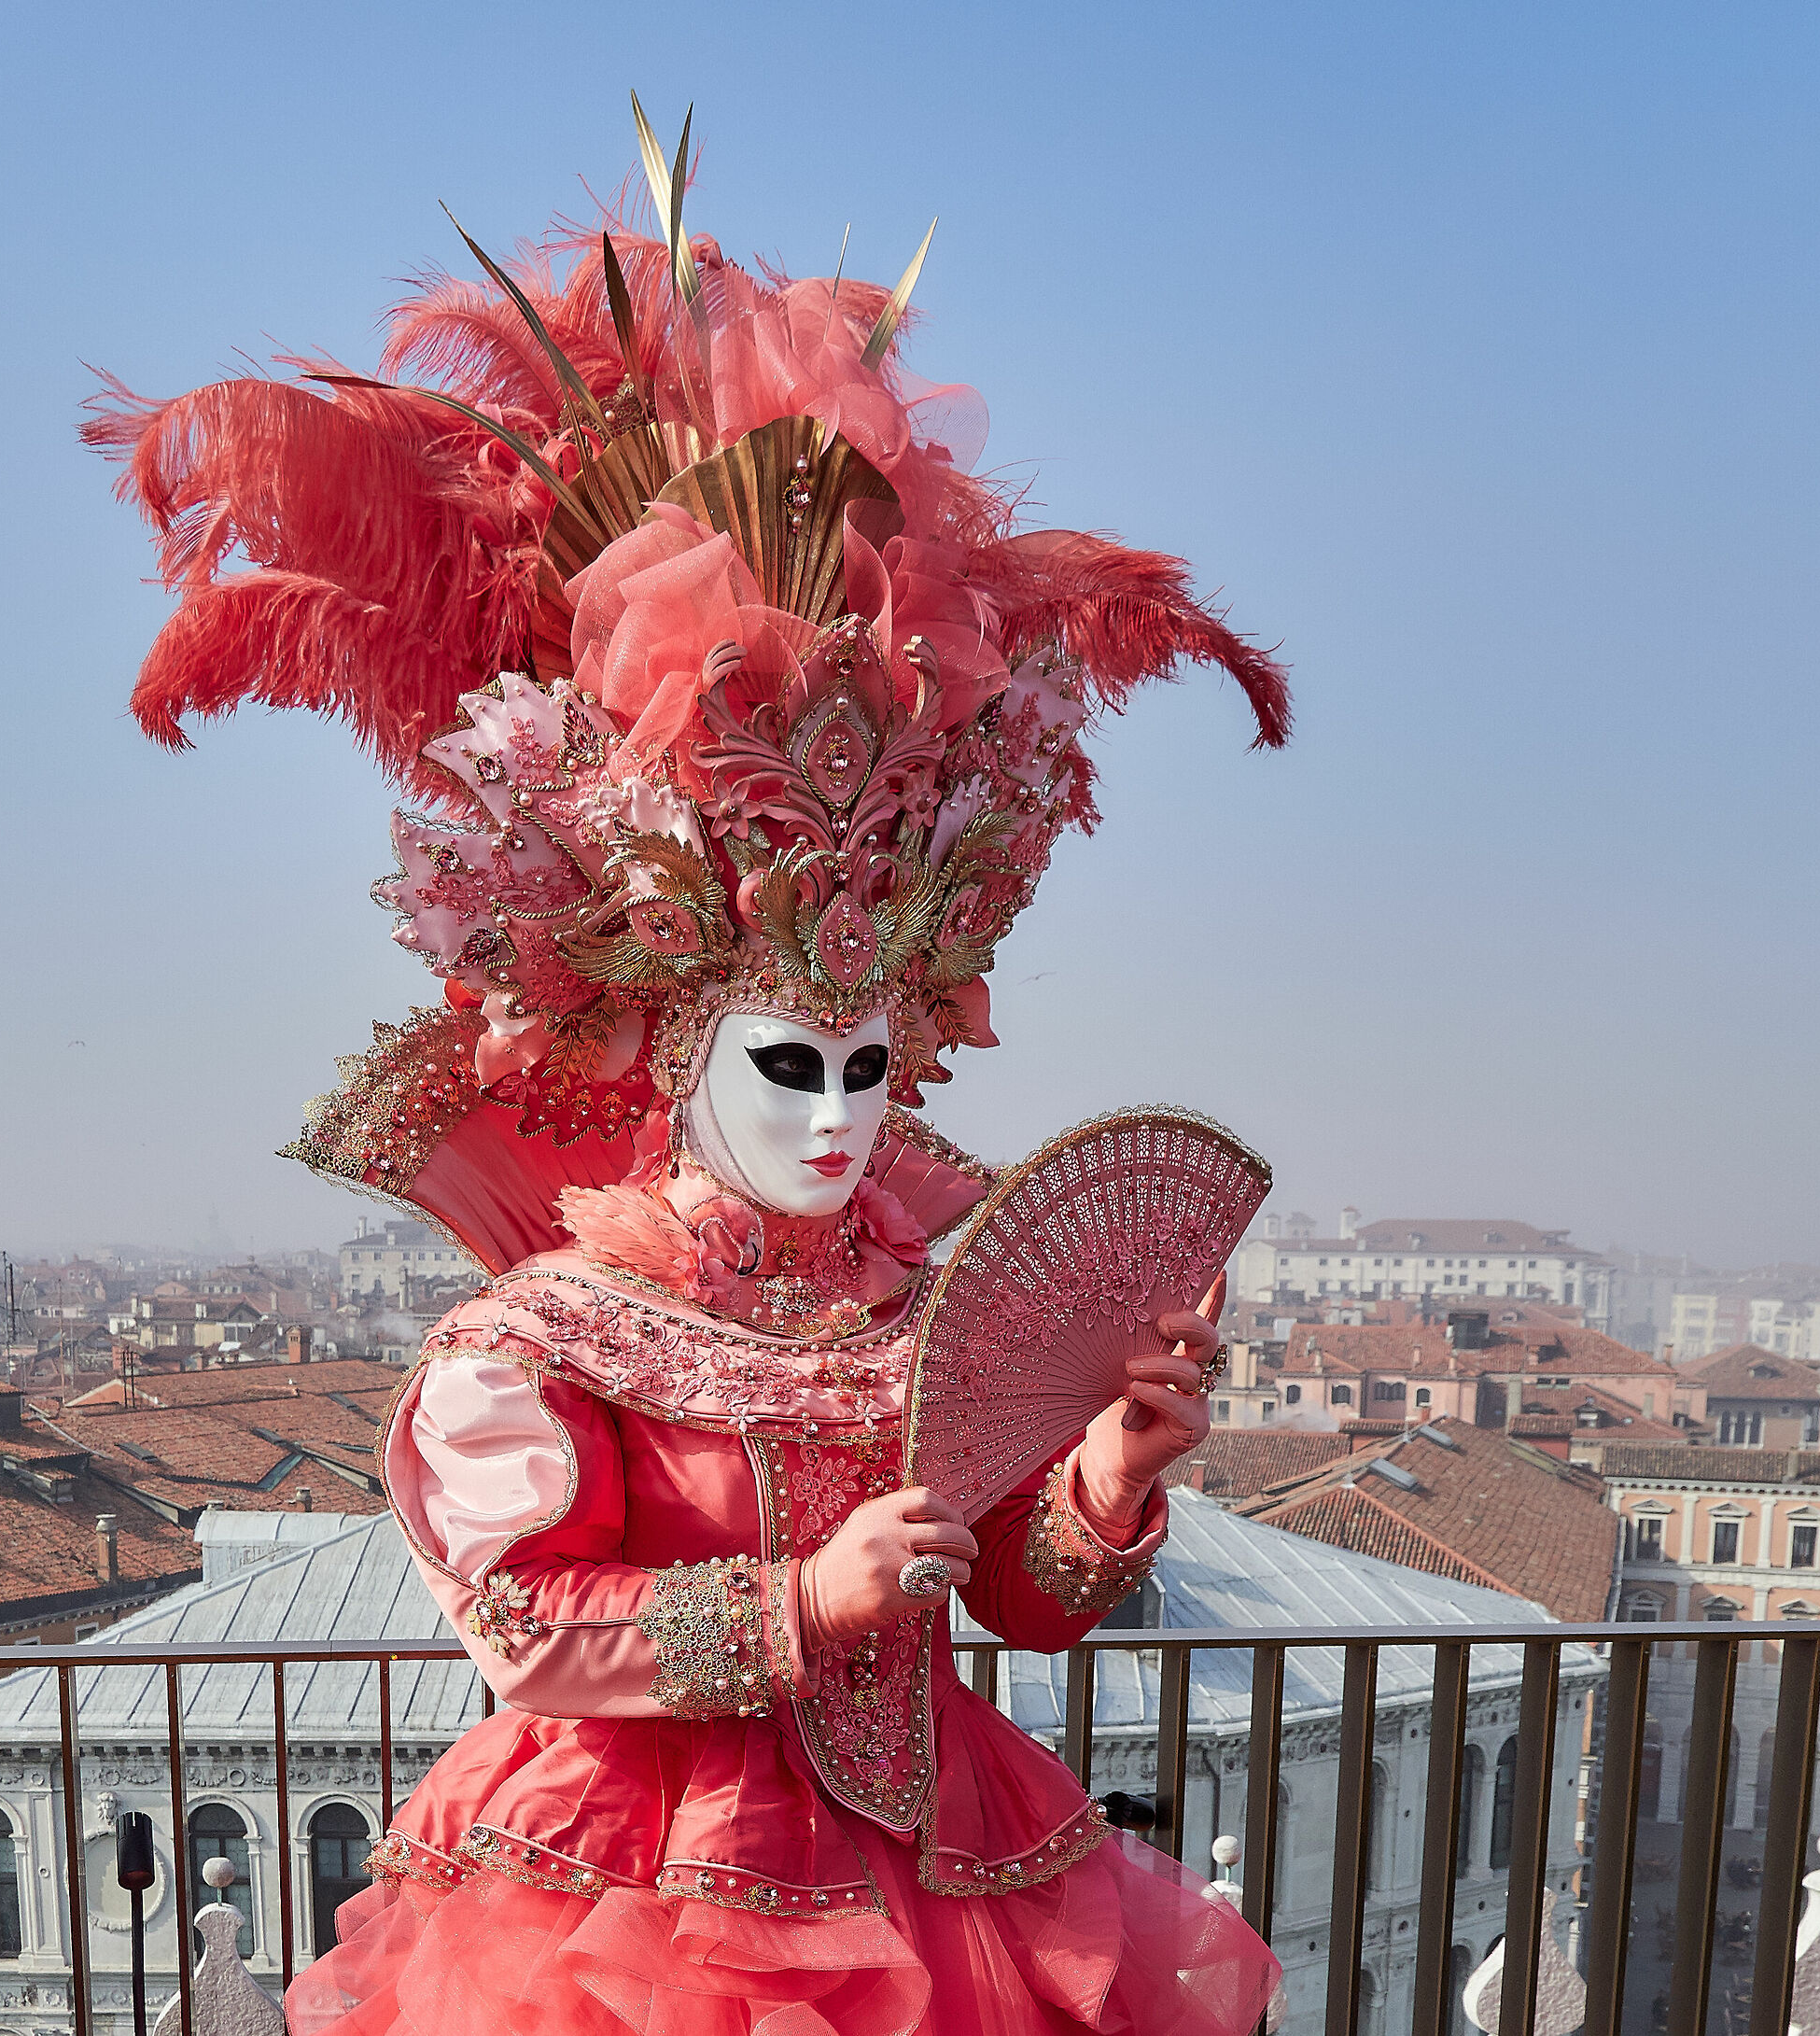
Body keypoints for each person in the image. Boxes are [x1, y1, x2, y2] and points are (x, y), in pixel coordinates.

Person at [89, 114, 1290, 2036]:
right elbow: (518, 1622)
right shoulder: (557, 1326)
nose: (838, 1117)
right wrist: (791, 1604)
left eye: (874, 1067)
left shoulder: (924, 1288)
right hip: (630, 1896)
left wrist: (1112, 1472)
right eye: (792, 1062)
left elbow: (1024, 1598)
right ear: (672, 1039)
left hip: (937, 1859)